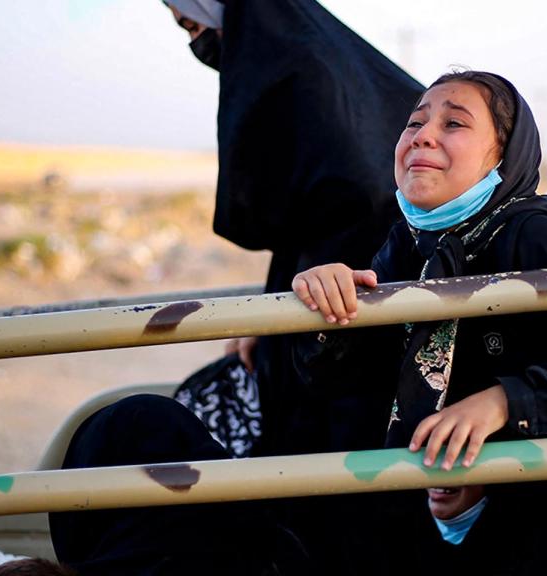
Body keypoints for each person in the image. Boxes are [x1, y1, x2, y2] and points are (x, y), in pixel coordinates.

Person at [292, 70, 547, 574]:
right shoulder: (410, 242)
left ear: (502, 156)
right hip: (444, 506)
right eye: (415, 122)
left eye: (454, 124)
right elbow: (341, 377)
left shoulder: (532, 233)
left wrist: (504, 403)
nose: (423, 134)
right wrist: (326, 307)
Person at [159, 0, 424, 459]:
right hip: (330, 288)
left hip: (353, 302)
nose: (195, 42)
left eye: (193, 24)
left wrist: (290, 313)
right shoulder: (323, 56)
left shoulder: (295, 74)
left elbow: (351, 198)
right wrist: (272, 315)